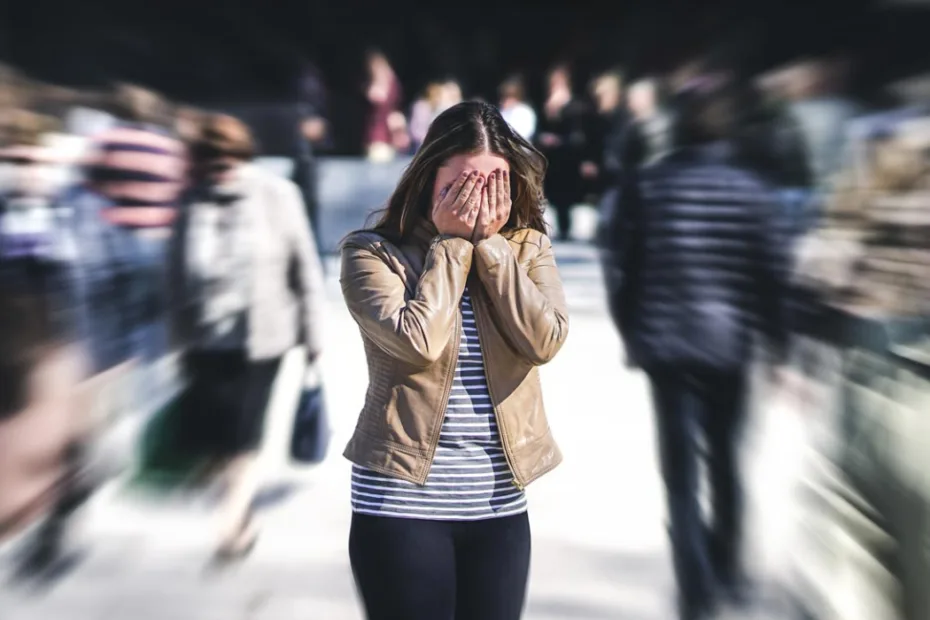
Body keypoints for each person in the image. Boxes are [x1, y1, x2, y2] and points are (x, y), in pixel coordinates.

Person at [340, 100, 569, 620]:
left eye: (494, 183)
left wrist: (490, 249)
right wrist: (450, 245)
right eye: (463, 185)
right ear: (427, 180)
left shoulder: (527, 248)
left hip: (497, 505)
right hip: (400, 503)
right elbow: (418, 340)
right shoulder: (373, 254)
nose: (479, 200)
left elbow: (545, 341)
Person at [604, 81, 787, 620]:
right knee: (728, 460)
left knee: (680, 474)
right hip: (730, 346)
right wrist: (778, 344)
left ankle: (695, 587)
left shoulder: (647, 186)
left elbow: (622, 269)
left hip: (667, 347)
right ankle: (727, 568)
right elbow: (770, 275)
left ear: (677, 126)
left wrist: (633, 331)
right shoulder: (752, 190)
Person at [167, 114, 325, 561]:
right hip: (204, 341)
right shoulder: (190, 202)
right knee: (216, 441)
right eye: (211, 162)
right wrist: (176, 340)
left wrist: (314, 334)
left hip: (262, 340)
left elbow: (304, 266)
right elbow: (175, 276)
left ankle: (231, 527)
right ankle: (240, 509)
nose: (221, 170)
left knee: (243, 435)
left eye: (228, 160)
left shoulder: (277, 195)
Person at [535, 64, 589, 241]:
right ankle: (562, 227)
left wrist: (559, 139)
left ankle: (567, 228)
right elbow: (540, 130)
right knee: (555, 195)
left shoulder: (575, 106)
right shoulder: (547, 106)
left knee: (567, 195)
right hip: (553, 160)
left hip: (568, 159)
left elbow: (578, 135)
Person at [364, 50, 405, 162]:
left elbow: (378, 97)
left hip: (384, 136)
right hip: (379, 136)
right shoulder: (391, 81)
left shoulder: (389, 82)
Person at [498, 75, 536, 142]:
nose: (505, 101)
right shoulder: (502, 112)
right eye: (504, 97)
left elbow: (524, 134)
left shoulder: (525, 111)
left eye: (509, 97)